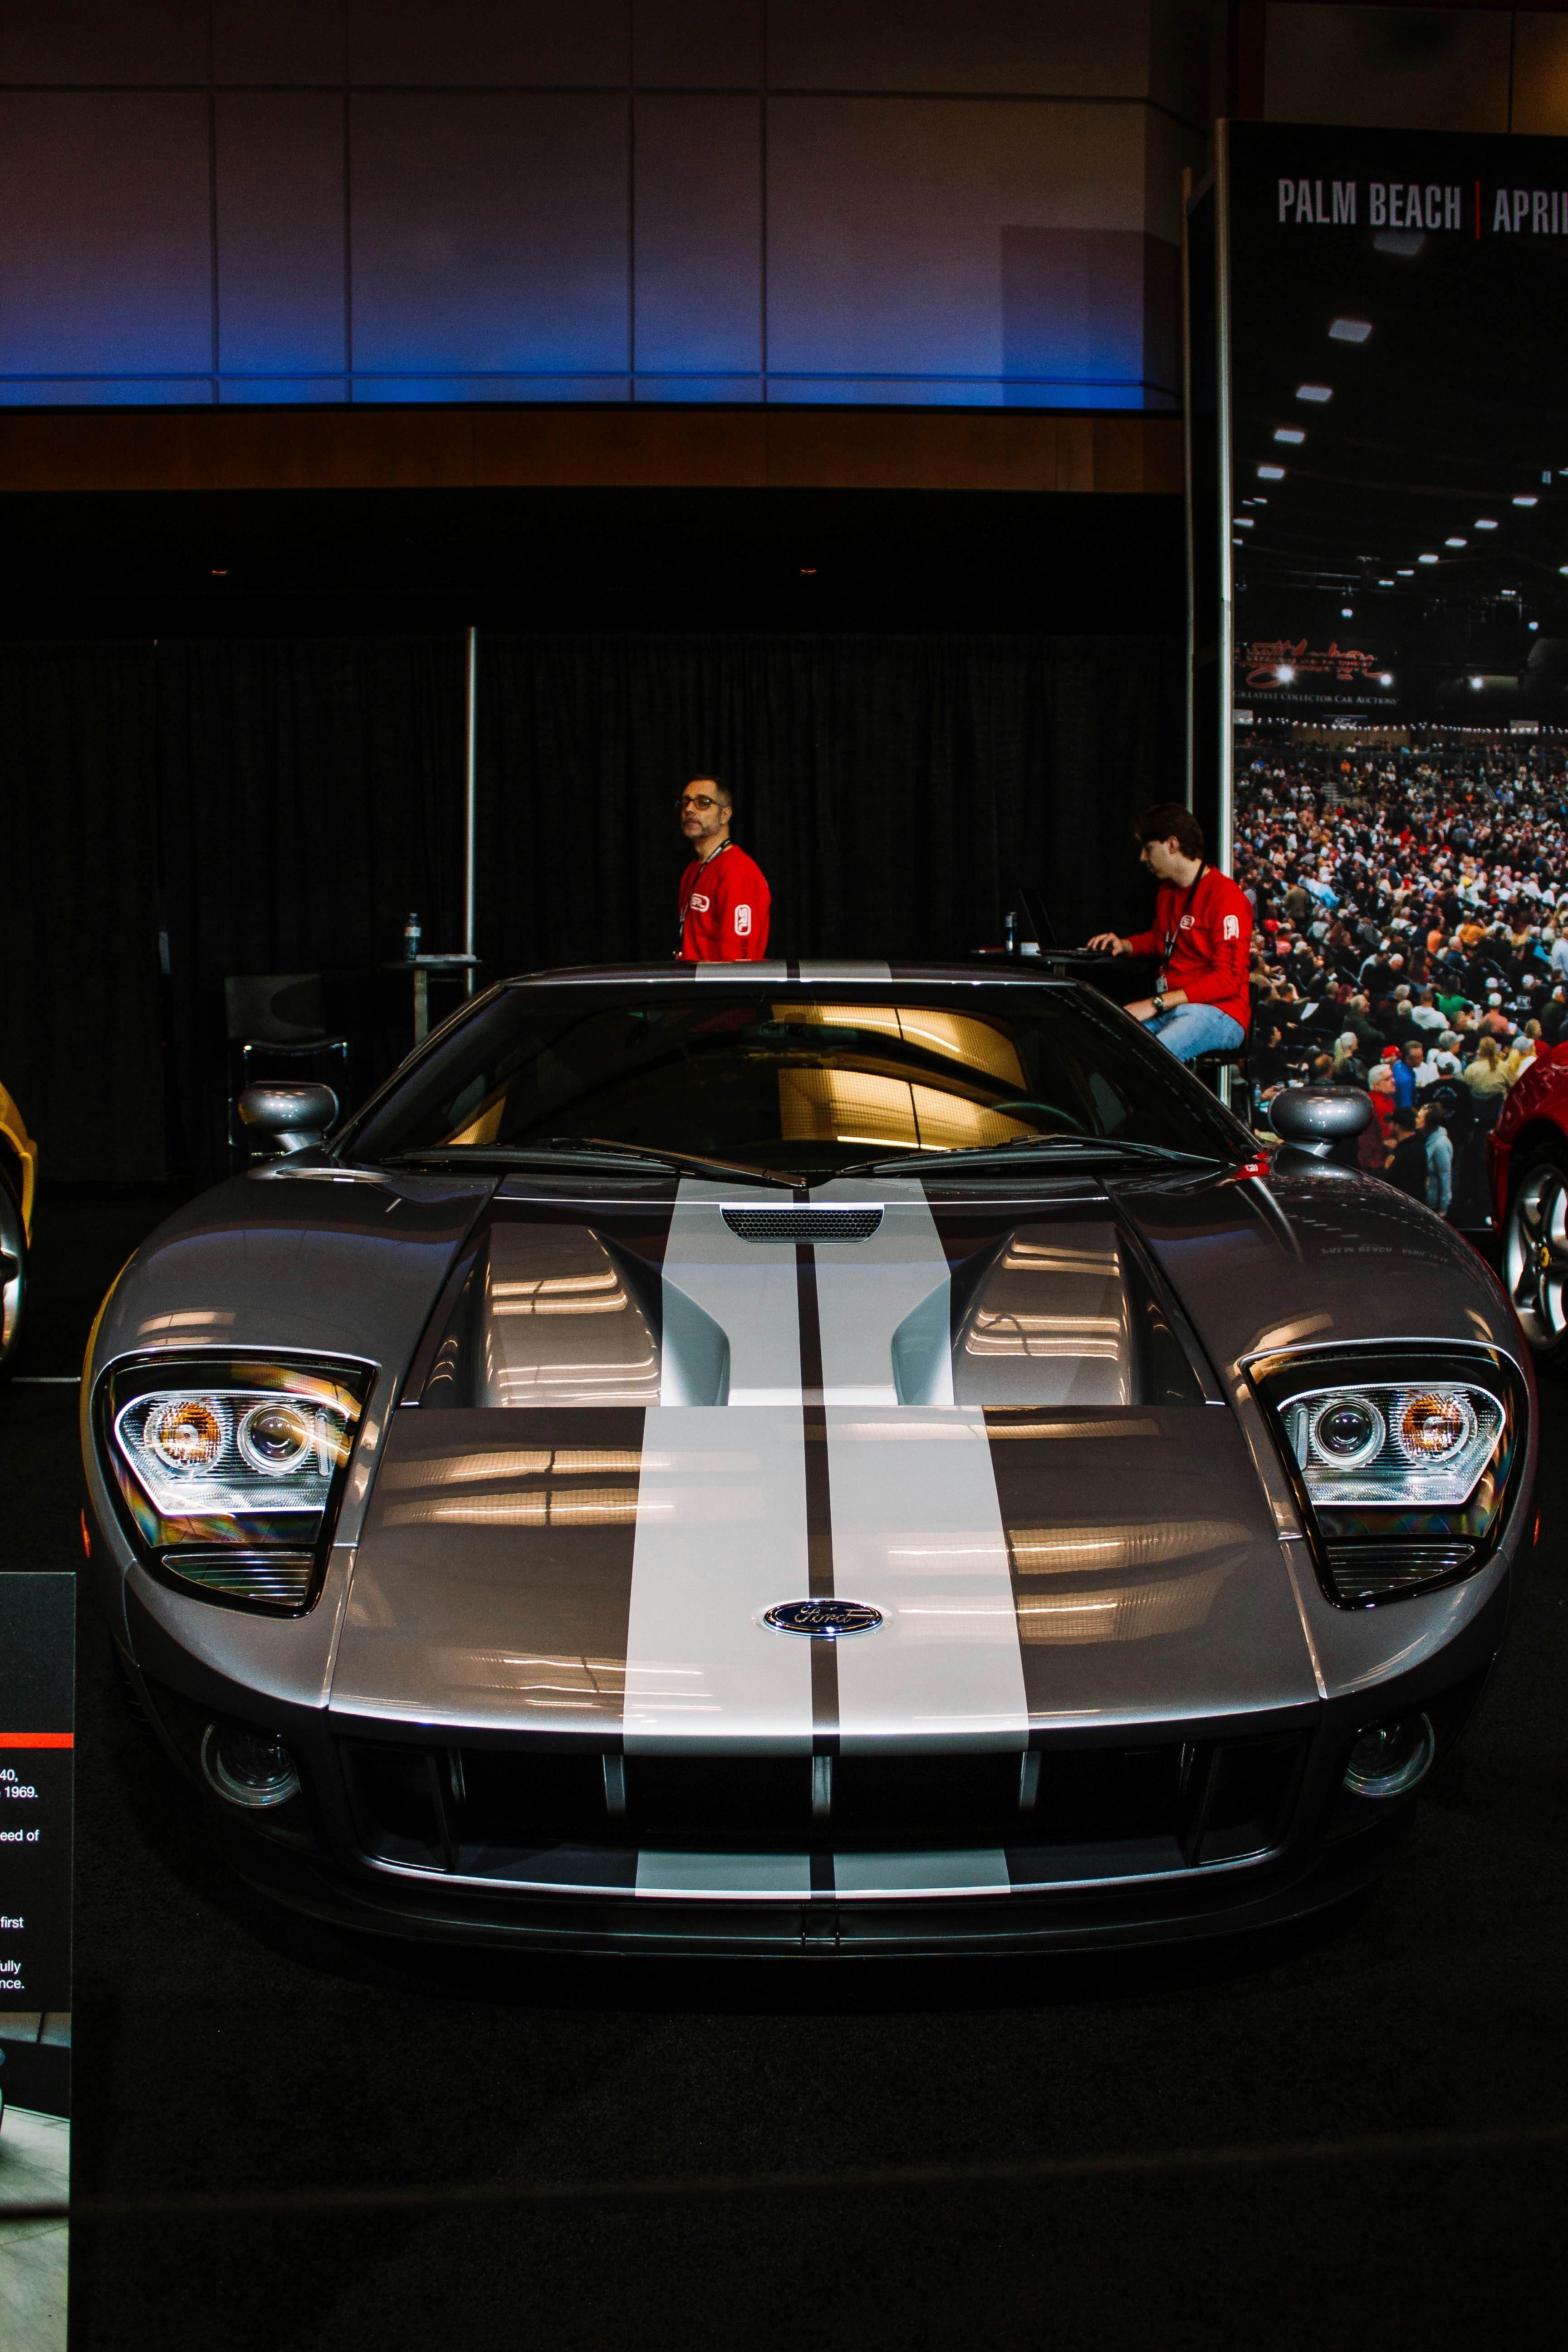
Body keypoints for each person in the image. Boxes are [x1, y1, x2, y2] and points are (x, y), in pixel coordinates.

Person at [1087, 803, 1252, 1063]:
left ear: (1173, 845)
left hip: (1219, 1012)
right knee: (1105, 1048)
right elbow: (1161, 939)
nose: (1143, 858)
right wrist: (1126, 945)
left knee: (1149, 1059)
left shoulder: (1227, 897)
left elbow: (1228, 980)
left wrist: (1155, 1003)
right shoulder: (1167, 892)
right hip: (1172, 1008)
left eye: (1148, 848)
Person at [676, 776, 770, 961]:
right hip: (693, 987)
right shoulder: (694, 868)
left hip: (720, 990)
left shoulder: (738, 872)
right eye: (686, 802)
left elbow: (741, 965)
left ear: (725, 815)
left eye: (703, 803)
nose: (689, 809)